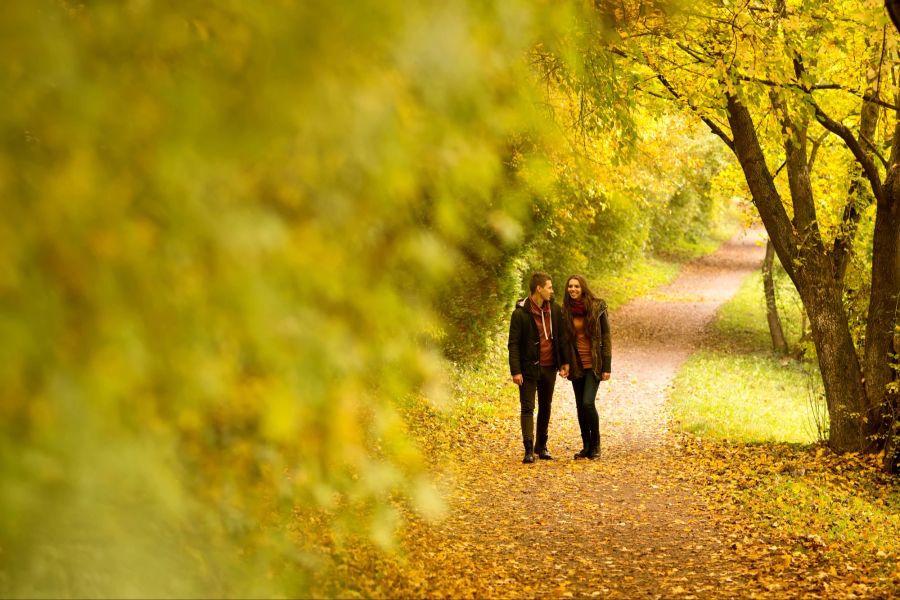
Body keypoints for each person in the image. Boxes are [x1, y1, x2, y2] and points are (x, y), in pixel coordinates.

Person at [508, 272, 570, 464]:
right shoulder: (520, 313)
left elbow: (562, 338)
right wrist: (515, 370)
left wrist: (564, 362)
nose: (552, 291)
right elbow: (514, 344)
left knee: (546, 406)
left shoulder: (555, 310)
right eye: (549, 287)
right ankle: (528, 449)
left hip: (549, 366)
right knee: (528, 407)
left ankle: (541, 446)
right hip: (528, 368)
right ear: (539, 289)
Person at [561, 275, 611, 459]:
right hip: (577, 364)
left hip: (594, 363)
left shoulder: (597, 307)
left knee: (587, 402)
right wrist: (564, 363)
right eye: (570, 287)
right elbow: (564, 341)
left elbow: (606, 337)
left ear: (583, 288)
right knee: (580, 407)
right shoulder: (565, 311)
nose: (573, 289)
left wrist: (607, 366)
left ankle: (596, 445)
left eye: (576, 286)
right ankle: (586, 447)